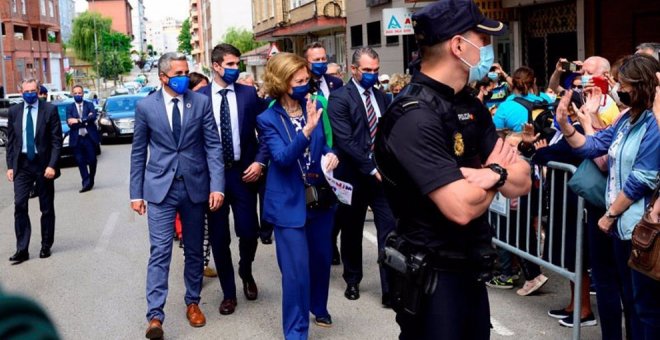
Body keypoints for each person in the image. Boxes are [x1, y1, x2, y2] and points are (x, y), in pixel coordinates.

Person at [375, 0, 531, 338]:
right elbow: (460, 208)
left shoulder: (469, 103)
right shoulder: (414, 116)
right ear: (458, 46)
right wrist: (498, 172)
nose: (488, 51)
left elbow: (523, 179)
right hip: (433, 278)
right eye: (483, 40)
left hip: (470, 269)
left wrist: (493, 174)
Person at [555, 53, 660, 339]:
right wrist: (566, 125)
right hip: (623, 229)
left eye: (623, 84)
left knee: (645, 310)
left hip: (643, 229)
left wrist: (610, 213)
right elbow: (594, 145)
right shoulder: (627, 120)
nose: (617, 89)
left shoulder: (654, 123)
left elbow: (644, 177)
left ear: (642, 86)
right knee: (632, 300)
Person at [129, 52, 225, 339]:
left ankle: (193, 302)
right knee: (160, 251)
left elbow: (213, 146)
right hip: (160, 189)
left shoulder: (201, 103)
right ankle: (155, 316)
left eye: (186, 71)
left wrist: (217, 185)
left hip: (195, 187)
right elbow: (138, 153)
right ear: (163, 77)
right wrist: (136, 193)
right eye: (179, 73)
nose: (184, 77)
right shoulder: (146, 107)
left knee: (195, 249)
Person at [256, 52, 339, 339]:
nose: (306, 84)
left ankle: (319, 305)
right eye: (300, 80)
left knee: (320, 260)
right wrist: (306, 130)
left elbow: (326, 144)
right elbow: (281, 158)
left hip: (319, 199)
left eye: (307, 79)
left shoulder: (313, 106)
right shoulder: (267, 118)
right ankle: (296, 332)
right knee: (296, 274)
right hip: (288, 204)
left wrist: (331, 156)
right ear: (282, 82)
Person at [197, 43, 269, 315]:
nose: (234, 69)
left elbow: (266, 132)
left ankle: (246, 270)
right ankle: (229, 292)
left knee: (249, 231)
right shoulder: (200, 98)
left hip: (243, 173)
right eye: (229, 65)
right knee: (219, 237)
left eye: (236, 64)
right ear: (215, 66)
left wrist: (259, 161)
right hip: (213, 178)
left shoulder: (249, 95)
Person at [327, 47, 395, 305]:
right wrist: (370, 167)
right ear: (354, 69)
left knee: (388, 231)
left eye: (375, 70)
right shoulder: (339, 98)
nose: (372, 75)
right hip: (353, 176)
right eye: (367, 70)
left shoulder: (382, 97)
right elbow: (345, 141)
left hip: (381, 178)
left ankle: (389, 288)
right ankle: (352, 280)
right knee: (352, 230)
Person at [5, 78, 62, 264]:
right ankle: (22, 249)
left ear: (38, 91)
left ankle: (46, 244)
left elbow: (56, 140)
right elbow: (11, 142)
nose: (29, 93)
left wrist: (52, 165)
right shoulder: (14, 112)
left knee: (46, 207)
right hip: (22, 165)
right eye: (26, 90)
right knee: (20, 204)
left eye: (32, 90)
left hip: (43, 164)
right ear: (21, 92)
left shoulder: (49, 110)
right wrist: (10, 167)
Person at [492, 66, 552, 132]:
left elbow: (496, 135)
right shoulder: (546, 98)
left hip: (517, 141)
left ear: (514, 82)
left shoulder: (505, 106)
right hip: (545, 141)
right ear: (534, 81)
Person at [66, 84, 100, 193]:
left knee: (92, 160)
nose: (77, 95)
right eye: (75, 93)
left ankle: (91, 179)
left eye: (79, 93)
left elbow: (93, 116)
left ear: (83, 94)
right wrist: (85, 120)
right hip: (77, 138)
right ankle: (86, 183)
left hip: (89, 138)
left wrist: (79, 120)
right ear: (72, 94)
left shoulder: (89, 105)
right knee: (80, 161)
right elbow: (71, 124)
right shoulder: (69, 108)